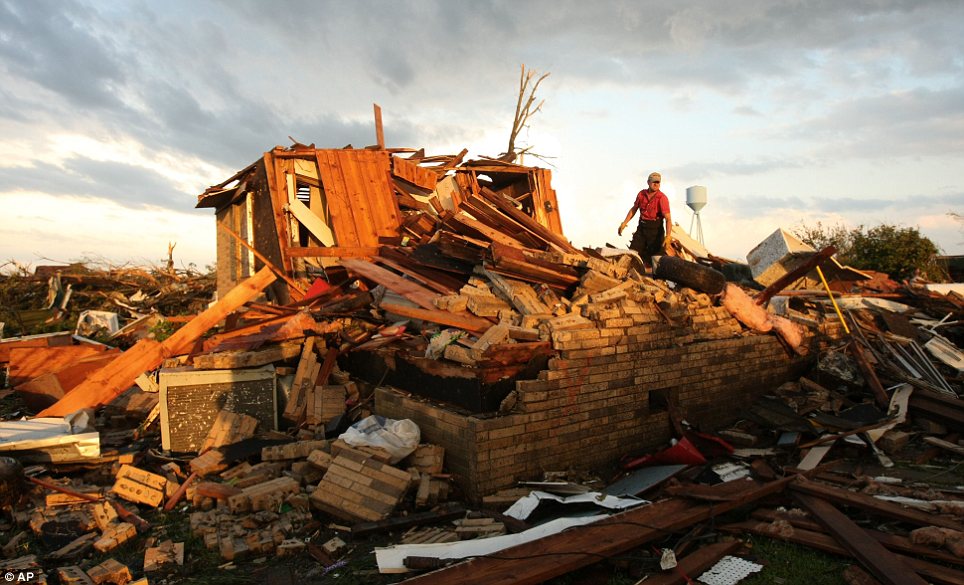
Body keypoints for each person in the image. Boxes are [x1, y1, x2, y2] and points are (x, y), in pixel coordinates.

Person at [618, 171, 672, 262]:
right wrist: (624, 223)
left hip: (655, 231)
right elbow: (634, 209)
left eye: (658, 182)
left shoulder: (662, 198)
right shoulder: (641, 194)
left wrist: (668, 236)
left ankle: (657, 275)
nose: (656, 184)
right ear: (648, 182)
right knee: (632, 253)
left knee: (657, 259)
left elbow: (668, 219)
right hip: (642, 228)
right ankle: (628, 274)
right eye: (654, 182)